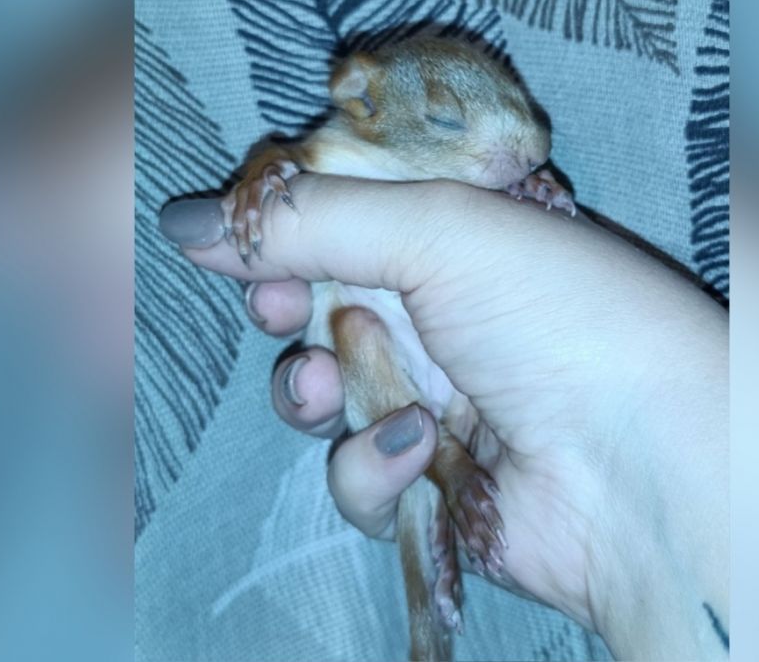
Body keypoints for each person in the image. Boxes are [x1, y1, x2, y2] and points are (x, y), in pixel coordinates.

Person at [161, 174, 729, 660]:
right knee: (354, 341)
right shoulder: (346, 156)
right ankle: (440, 511)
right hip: (397, 362)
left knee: (375, 413)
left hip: (468, 394)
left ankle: (439, 524)